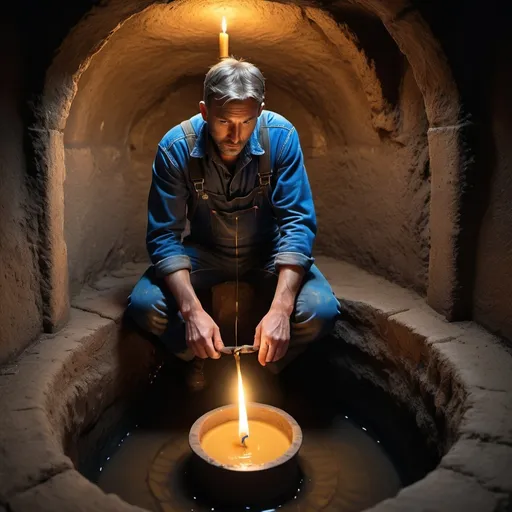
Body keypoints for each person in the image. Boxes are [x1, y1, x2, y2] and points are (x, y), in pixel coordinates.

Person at [126, 57, 340, 389]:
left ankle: (265, 366)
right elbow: (164, 237)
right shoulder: (175, 147)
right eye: (224, 121)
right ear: (204, 111)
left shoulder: (280, 137)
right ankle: (200, 359)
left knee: (321, 311)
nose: (235, 135)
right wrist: (193, 312)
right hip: (205, 254)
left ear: (260, 110)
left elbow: (297, 224)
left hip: (266, 254)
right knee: (145, 306)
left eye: (246, 122)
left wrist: (281, 310)